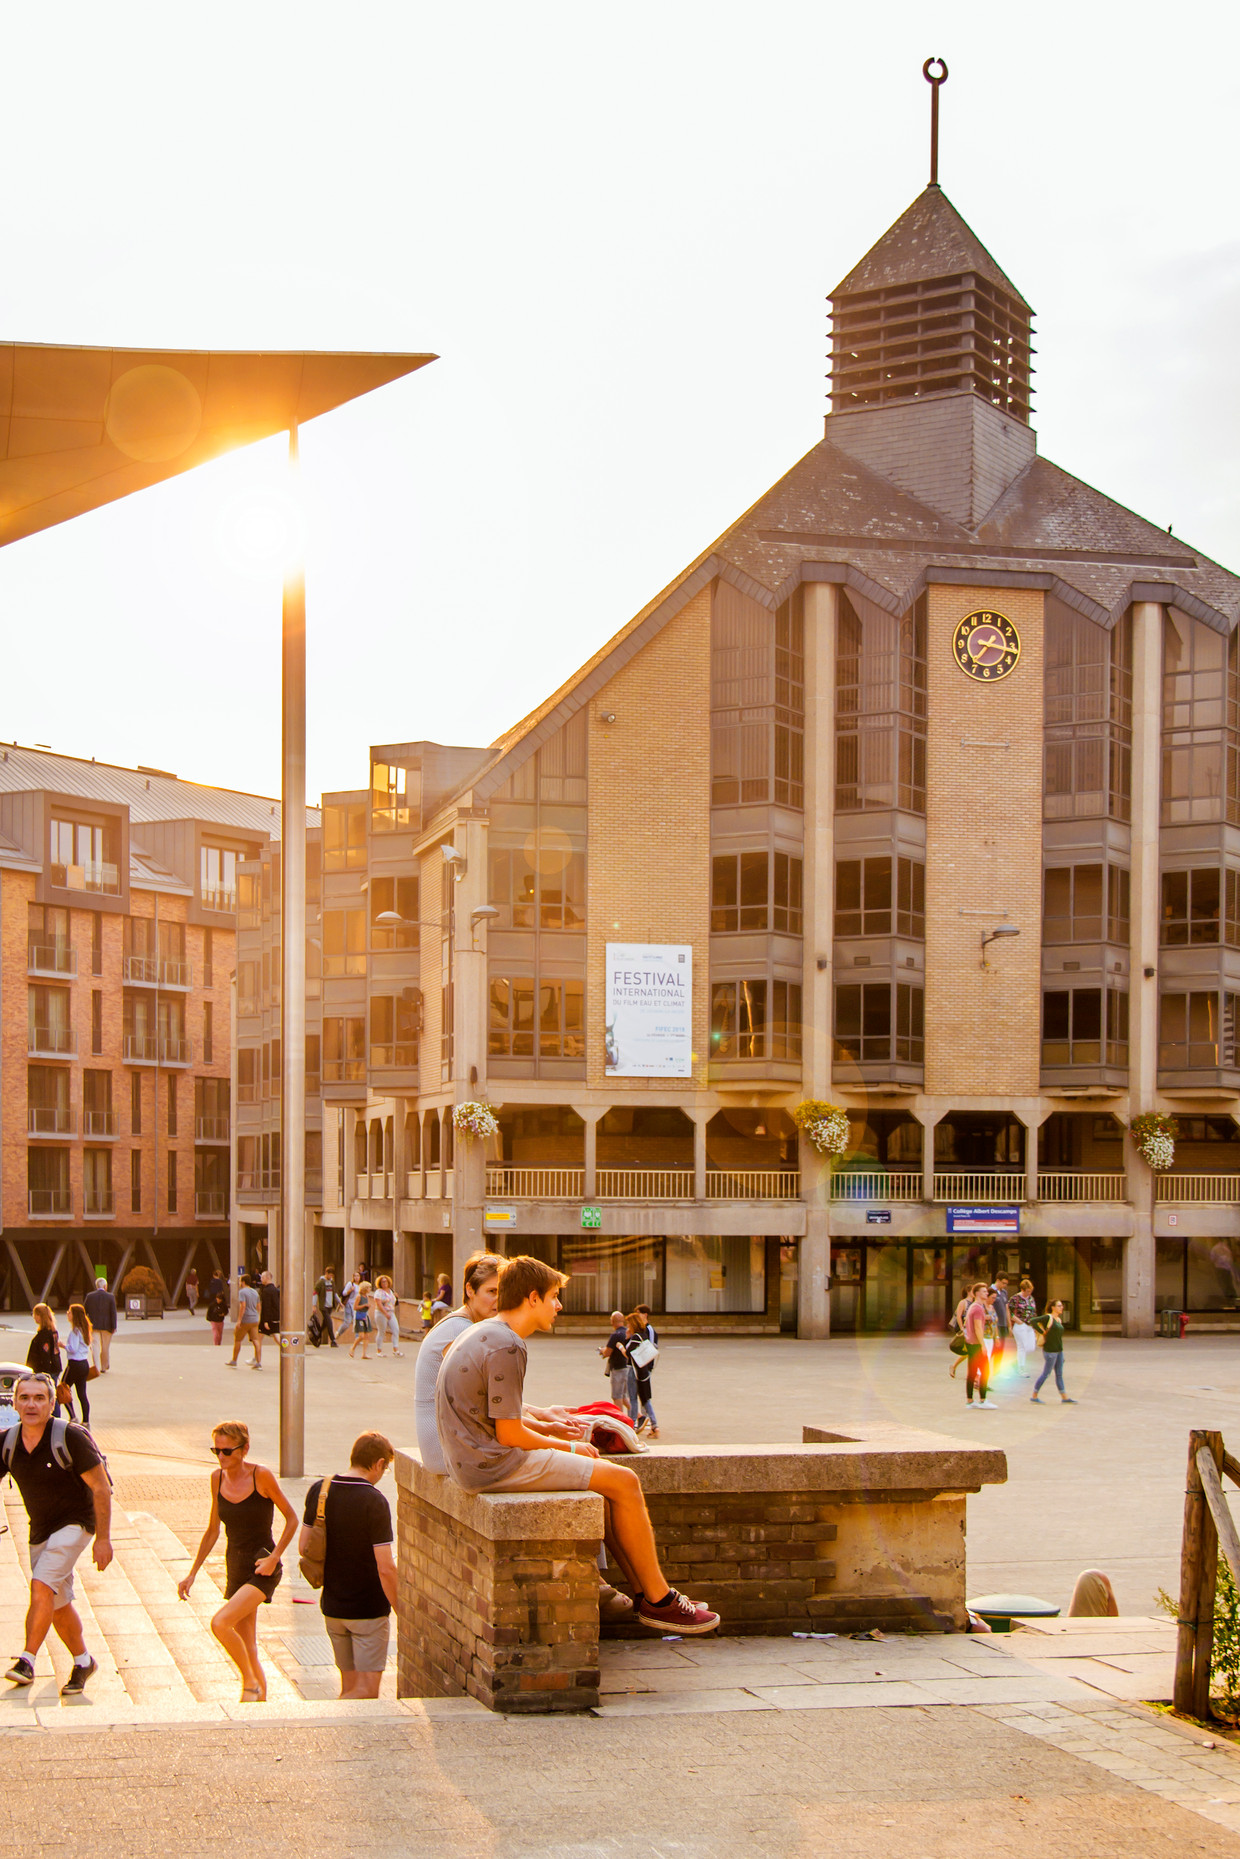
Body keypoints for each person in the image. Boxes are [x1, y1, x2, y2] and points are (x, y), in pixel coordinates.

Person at [435, 1254, 719, 1635]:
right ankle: (660, 1601)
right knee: (625, 1483)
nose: (559, 1306)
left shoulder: (485, 1332)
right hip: (493, 1464)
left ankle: (645, 1595)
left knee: (605, 1488)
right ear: (531, 1298)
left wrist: (551, 1427)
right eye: (554, 1296)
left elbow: (495, 1412)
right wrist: (566, 1448)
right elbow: (510, 1434)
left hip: (471, 1462)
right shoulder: (508, 1345)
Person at [2, 1371, 112, 1695]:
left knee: (40, 1585)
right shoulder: (7, 1442)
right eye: (24, 1398)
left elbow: (102, 1489)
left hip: (77, 1523)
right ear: (15, 1403)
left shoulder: (71, 1437)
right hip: (41, 1531)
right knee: (56, 1601)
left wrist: (103, 1539)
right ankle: (83, 1661)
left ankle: (27, 1660)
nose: (31, 1404)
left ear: (52, 1403)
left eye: (39, 1398)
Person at [177, 1419, 298, 1702]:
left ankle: (249, 1683)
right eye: (215, 1451)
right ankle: (260, 1702)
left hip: (262, 1566)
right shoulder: (216, 1478)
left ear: (244, 1450)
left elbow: (291, 1519)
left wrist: (276, 1557)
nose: (220, 1457)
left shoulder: (261, 1476)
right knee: (248, 1645)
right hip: (236, 1564)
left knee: (220, 1623)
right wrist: (192, 1573)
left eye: (226, 1451)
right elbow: (212, 1530)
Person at [300, 1431, 397, 1699]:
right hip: (368, 1611)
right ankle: (325, 1718)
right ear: (378, 1464)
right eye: (385, 1468)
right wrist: (402, 1607)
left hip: (333, 1608)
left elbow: (304, 1547)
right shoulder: (374, 1500)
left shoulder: (321, 1490)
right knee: (366, 1692)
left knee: (350, 1687)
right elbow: (386, 1567)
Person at [1031, 1299, 1076, 1404]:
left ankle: (1064, 1397)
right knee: (1046, 1373)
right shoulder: (1048, 1317)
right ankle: (1034, 1395)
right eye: (1059, 1306)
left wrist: (1061, 1353)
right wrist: (1042, 1332)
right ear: (1053, 1307)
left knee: (1059, 1374)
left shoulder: (1058, 1320)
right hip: (1050, 1351)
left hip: (1059, 1350)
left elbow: (1058, 1338)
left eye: (1061, 1306)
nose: (1062, 1308)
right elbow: (1033, 1321)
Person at [624, 1311, 659, 1437]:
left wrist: (621, 1345)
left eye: (628, 1324)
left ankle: (632, 1425)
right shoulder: (644, 1335)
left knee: (633, 1399)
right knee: (645, 1399)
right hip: (644, 1371)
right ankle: (655, 1425)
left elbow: (627, 1353)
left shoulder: (635, 1337)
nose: (627, 1326)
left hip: (634, 1371)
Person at [964, 1282, 995, 1410]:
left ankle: (970, 1401)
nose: (986, 1293)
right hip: (976, 1344)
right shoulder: (978, 1308)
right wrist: (983, 1345)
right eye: (983, 1291)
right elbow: (978, 1328)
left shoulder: (973, 1306)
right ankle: (983, 1400)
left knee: (971, 1373)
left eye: (986, 1291)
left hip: (970, 1342)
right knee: (985, 1371)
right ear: (976, 1293)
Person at [60, 1305, 93, 1428]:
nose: (67, 1313)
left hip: (74, 1364)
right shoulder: (85, 1329)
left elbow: (73, 1349)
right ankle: (86, 1421)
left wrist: (62, 1345)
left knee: (62, 1388)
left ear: (74, 1315)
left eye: (69, 1312)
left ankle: (73, 1416)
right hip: (84, 1363)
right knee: (82, 1393)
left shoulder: (75, 1331)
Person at [27, 1304, 63, 1405]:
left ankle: (54, 1416)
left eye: (35, 1315)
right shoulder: (53, 1331)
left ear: (39, 1316)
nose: (34, 1317)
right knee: (52, 1394)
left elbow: (45, 1354)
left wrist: (44, 1373)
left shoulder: (44, 1335)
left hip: (47, 1370)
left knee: (50, 1396)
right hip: (55, 1366)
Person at [84, 1275, 118, 1373]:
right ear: (105, 1286)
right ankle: (104, 1366)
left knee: (95, 1346)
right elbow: (113, 1313)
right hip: (107, 1327)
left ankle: (97, 1367)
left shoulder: (89, 1296)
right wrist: (114, 1326)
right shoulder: (110, 1297)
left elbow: (84, 1311)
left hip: (93, 1326)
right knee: (105, 1347)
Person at [228, 1274, 263, 1369]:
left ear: (243, 1282)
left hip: (246, 1319)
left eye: (240, 1281)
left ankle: (234, 1360)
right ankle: (258, 1362)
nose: (239, 1283)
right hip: (254, 1319)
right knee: (256, 1340)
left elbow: (243, 1306)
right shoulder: (255, 1292)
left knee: (238, 1339)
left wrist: (239, 1320)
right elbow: (259, 1306)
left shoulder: (242, 1292)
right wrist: (258, 1316)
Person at [600, 1310, 629, 1408]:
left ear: (612, 1321)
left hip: (617, 1368)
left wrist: (602, 1351)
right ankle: (639, 1416)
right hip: (628, 1367)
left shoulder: (615, 1335)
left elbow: (608, 1352)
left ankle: (620, 1420)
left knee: (617, 1397)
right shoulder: (628, 1333)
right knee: (625, 1396)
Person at [1010, 1277, 1038, 1375]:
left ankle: (1016, 1362)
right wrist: (1017, 1320)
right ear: (1022, 1289)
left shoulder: (1031, 1298)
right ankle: (1021, 1368)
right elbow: (1008, 1311)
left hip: (1030, 1325)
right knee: (1022, 1346)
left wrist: (1035, 1325)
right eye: (1027, 1291)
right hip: (1020, 1324)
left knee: (1031, 1347)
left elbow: (1034, 1312)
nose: (1029, 1293)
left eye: (1030, 1291)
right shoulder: (1015, 1298)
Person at [372, 1275, 403, 1357]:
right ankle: (379, 1350)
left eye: (386, 1281)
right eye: (382, 1281)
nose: (384, 1283)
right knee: (382, 1331)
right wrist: (385, 1313)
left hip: (391, 1312)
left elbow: (394, 1302)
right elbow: (378, 1303)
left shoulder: (391, 1291)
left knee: (396, 1329)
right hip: (381, 1313)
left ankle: (396, 1349)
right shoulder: (378, 1292)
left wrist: (396, 1297)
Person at [990, 1274, 1011, 1382]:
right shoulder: (990, 1291)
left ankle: (997, 1371)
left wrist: (1009, 1324)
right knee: (993, 1349)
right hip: (995, 1325)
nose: (1004, 1285)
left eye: (1006, 1284)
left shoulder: (1004, 1292)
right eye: (1003, 1283)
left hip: (1003, 1324)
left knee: (1000, 1349)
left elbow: (1006, 1308)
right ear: (997, 1280)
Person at [313, 1269, 340, 1348]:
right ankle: (333, 1340)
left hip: (330, 1306)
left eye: (332, 1275)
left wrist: (340, 1302)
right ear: (326, 1273)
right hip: (323, 1306)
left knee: (326, 1323)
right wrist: (314, 1305)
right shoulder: (320, 1282)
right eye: (330, 1275)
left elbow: (334, 1293)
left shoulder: (331, 1282)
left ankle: (318, 1334)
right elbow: (315, 1293)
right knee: (329, 1322)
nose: (331, 1277)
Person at [349, 1281, 374, 1359]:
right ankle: (352, 1348)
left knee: (366, 1336)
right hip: (359, 1317)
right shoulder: (359, 1296)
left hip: (365, 1316)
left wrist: (368, 1306)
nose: (370, 1289)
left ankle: (364, 1353)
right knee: (361, 1335)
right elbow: (355, 1307)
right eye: (369, 1287)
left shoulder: (366, 1296)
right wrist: (364, 1305)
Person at [205, 1271, 229, 1347]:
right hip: (215, 1320)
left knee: (219, 1333)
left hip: (219, 1320)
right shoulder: (219, 1281)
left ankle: (217, 1344)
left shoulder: (212, 1281)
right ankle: (216, 1344)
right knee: (216, 1333)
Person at [258, 1270, 281, 1341]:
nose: (261, 1279)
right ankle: (286, 1347)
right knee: (276, 1335)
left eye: (262, 1277)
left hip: (268, 1319)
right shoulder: (275, 1290)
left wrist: (265, 1321)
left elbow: (266, 1306)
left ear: (267, 1278)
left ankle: (286, 1348)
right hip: (275, 1317)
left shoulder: (266, 1291)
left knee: (259, 1338)